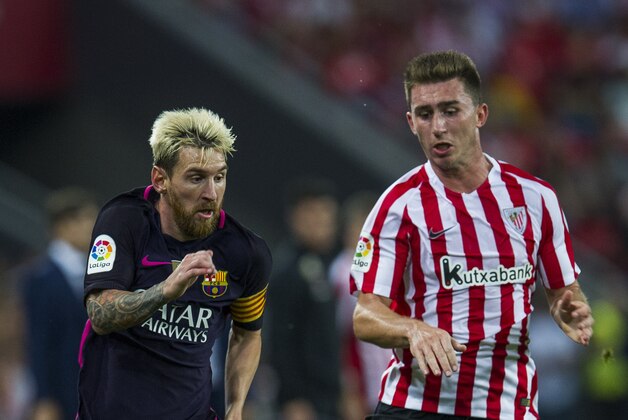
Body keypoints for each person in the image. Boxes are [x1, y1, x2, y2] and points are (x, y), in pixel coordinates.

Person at [350, 50, 594, 420]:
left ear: (480, 114)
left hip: (508, 408)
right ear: (411, 122)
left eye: (451, 110)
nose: (438, 126)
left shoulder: (535, 198)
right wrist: (414, 330)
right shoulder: (397, 206)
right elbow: (366, 315)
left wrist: (569, 307)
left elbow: (563, 291)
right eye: (425, 114)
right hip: (417, 407)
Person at [76, 108, 272, 420]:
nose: (211, 193)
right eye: (196, 178)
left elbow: (248, 334)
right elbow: (100, 313)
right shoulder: (124, 221)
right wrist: (166, 290)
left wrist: (235, 408)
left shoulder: (246, 252)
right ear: (160, 179)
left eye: (219, 178)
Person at [18, 187, 98, 420]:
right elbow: (38, 342)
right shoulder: (39, 278)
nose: (94, 226)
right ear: (64, 225)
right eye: (87, 218)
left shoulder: (99, 273)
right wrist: (43, 398)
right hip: (61, 394)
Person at [265, 178, 341, 420]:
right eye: (313, 213)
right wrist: (292, 398)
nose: (322, 222)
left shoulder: (329, 265)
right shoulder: (287, 271)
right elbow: (279, 339)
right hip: (304, 404)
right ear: (295, 217)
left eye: (327, 214)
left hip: (329, 399)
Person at [329, 190, 391, 418]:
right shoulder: (341, 273)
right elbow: (339, 338)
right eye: (362, 227)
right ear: (348, 231)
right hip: (364, 387)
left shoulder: (387, 269)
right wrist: (349, 389)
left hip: (390, 384)